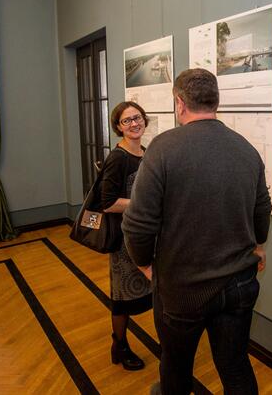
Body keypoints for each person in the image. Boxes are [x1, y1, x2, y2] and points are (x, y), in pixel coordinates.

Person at [123, 68, 272, 394]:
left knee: (176, 368)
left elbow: (137, 223)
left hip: (182, 288)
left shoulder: (163, 148)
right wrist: (259, 244)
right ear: (215, 101)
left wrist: (144, 263)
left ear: (179, 103)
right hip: (239, 285)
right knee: (235, 367)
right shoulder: (246, 150)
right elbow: (262, 210)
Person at [100, 101, 153, 371]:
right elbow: (107, 202)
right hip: (123, 240)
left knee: (152, 291)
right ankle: (119, 346)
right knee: (122, 299)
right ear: (118, 127)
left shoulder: (147, 152)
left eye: (137, 118)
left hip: (148, 236)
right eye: (127, 120)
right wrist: (144, 203)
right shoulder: (117, 158)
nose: (134, 123)